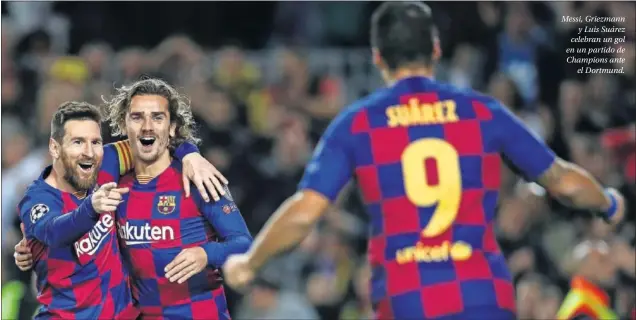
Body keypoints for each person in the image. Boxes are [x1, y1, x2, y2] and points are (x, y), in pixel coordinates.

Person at [222, 2, 625, 320]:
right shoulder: (481, 112)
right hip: (484, 298)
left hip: (407, 301)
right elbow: (563, 182)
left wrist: (250, 262)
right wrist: (607, 201)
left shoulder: (359, 123)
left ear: (379, 57)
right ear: (434, 49)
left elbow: (305, 213)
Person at [17, 101, 224, 319]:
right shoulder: (38, 200)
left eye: (95, 142)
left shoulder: (106, 163)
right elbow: (53, 232)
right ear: (55, 147)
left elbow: (158, 141)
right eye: (77, 142)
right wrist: (91, 208)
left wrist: (191, 154)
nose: (88, 152)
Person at [101, 78, 252, 319]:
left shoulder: (199, 179)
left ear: (172, 127)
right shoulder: (113, 186)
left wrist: (206, 254)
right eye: (137, 117)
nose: (147, 126)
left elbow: (245, 244)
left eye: (158, 117)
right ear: (123, 124)